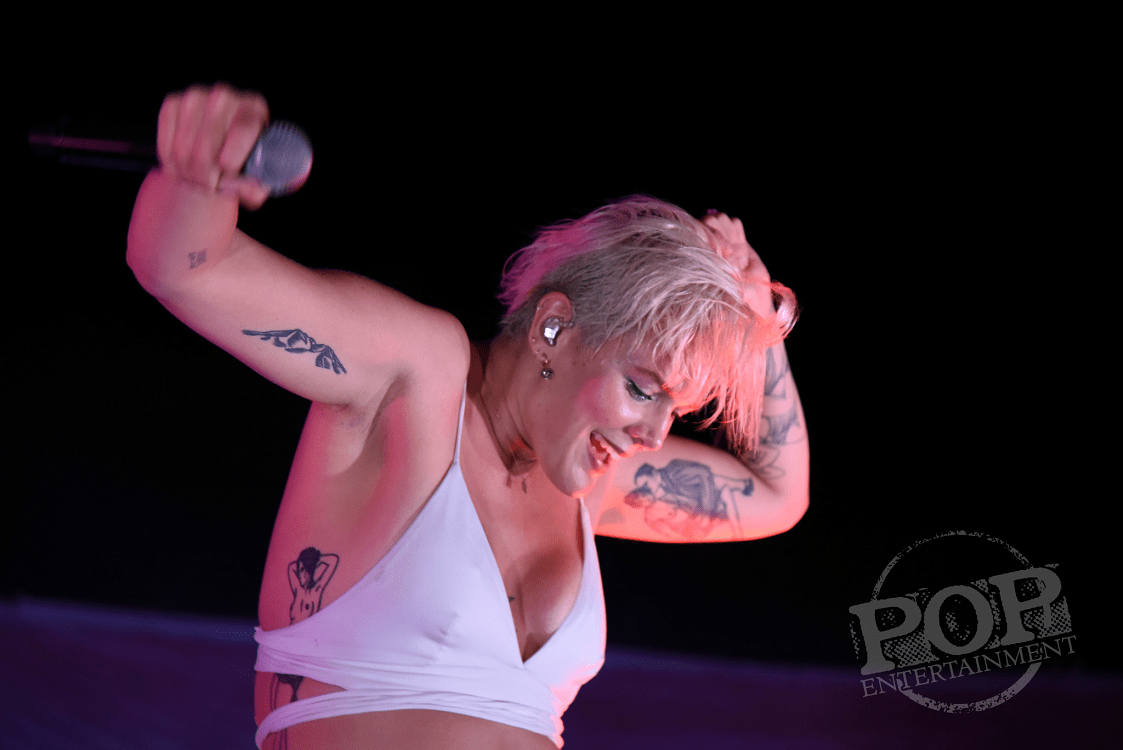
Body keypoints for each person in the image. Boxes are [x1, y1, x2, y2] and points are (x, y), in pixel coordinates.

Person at [127, 83, 810, 750]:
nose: (656, 434)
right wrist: (201, 167)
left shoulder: (592, 480)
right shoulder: (419, 374)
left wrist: (760, 319)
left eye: (675, 408)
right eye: (641, 388)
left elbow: (778, 496)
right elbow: (183, 269)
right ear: (552, 329)